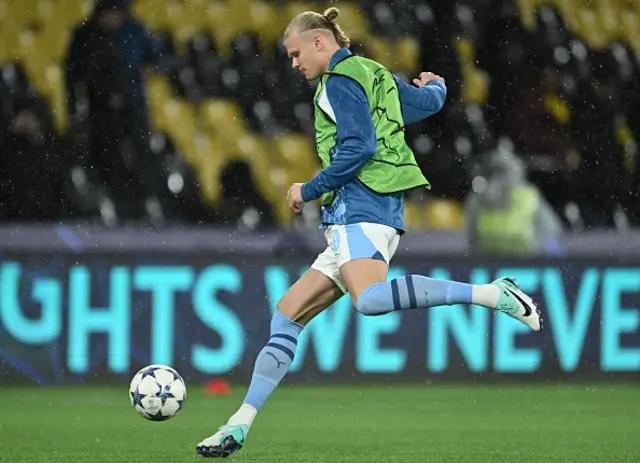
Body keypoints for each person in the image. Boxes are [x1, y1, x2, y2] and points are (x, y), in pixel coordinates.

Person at [196, 7, 542, 458]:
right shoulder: (372, 72)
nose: (294, 64)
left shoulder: (338, 82)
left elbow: (360, 146)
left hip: (362, 208)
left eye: (297, 53)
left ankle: (494, 294)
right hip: (364, 212)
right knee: (287, 316)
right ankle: (238, 425)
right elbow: (424, 105)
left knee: (371, 300)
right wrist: (436, 87)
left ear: (320, 42)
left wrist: (310, 188)